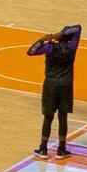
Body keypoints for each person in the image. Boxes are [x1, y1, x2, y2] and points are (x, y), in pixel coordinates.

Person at [26, 25, 81, 157]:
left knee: (48, 117)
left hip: (50, 85)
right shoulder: (71, 48)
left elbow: (31, 51)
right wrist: (60, 34)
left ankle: (43, 148)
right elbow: (78, 28)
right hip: (66, 86)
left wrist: (43, 38)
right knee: (63, 118)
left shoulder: (49, 47)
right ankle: (61, 149)